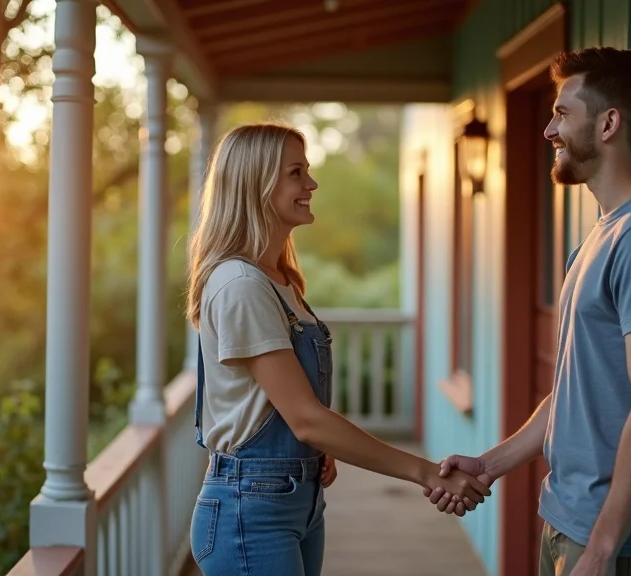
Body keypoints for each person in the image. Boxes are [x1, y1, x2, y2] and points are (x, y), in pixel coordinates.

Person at [424, 47, 631, 576]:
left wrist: (600, 550)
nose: (549, 130)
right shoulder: (601, 235)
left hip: (618, 543)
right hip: (568, 520)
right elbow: (576, 388)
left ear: (609, 123)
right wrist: (489, 464)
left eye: (563, 113)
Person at [185, 122, 491, 576]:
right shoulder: (240, 285)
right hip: (251, 514)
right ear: (257, 183)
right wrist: (425, 472)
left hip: (297, 500)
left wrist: (308, 451)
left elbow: (286, 410)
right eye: (295, 172)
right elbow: (307, 418)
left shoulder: (280, 281)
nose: (311, 183)